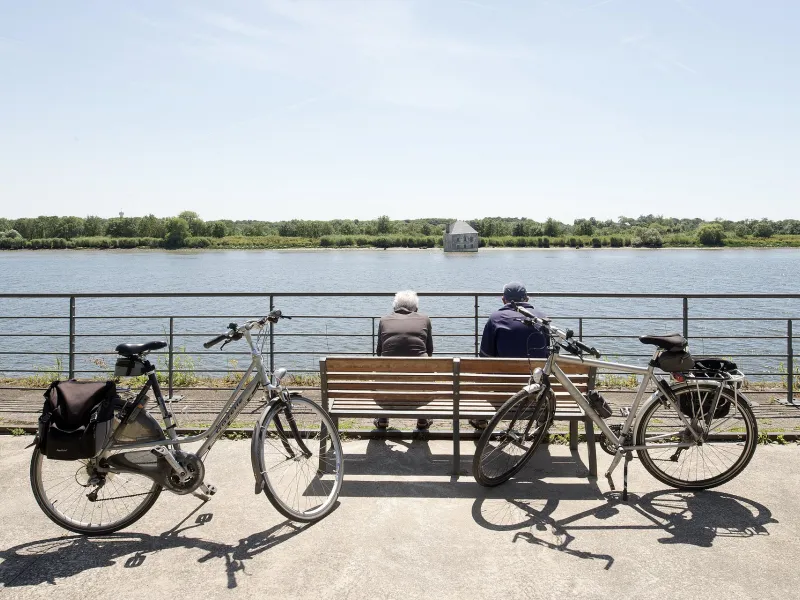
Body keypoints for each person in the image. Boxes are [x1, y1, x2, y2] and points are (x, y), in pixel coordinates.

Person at [472, 281, 549, 430]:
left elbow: (485, 358)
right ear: (527, 299)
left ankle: (480, 420)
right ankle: (541, 424)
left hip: (503, 391)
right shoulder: (542, 318)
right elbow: (546, 354)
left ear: (503, 300)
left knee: (484, 373)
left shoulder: (495, 319)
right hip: (535, 390)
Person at [374, 290, 434, 430]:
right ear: (416, 308)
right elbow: (429, 351)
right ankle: (422, 420)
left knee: (385, 373)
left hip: (388, 387)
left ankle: (383, 418)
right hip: (419, 388)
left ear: (395, 307)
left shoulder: (384, 320)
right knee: (423, 372)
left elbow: (379, 352)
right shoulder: (425, 319)